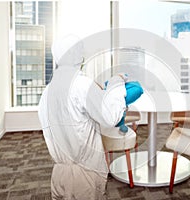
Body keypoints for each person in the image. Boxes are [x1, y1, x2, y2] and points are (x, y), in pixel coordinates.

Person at [38, 34, 127, 199]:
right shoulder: (81, 84)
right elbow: (110, 116)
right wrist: (117, 83)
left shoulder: (47, 92)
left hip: (60, 174)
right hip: (84, 175)